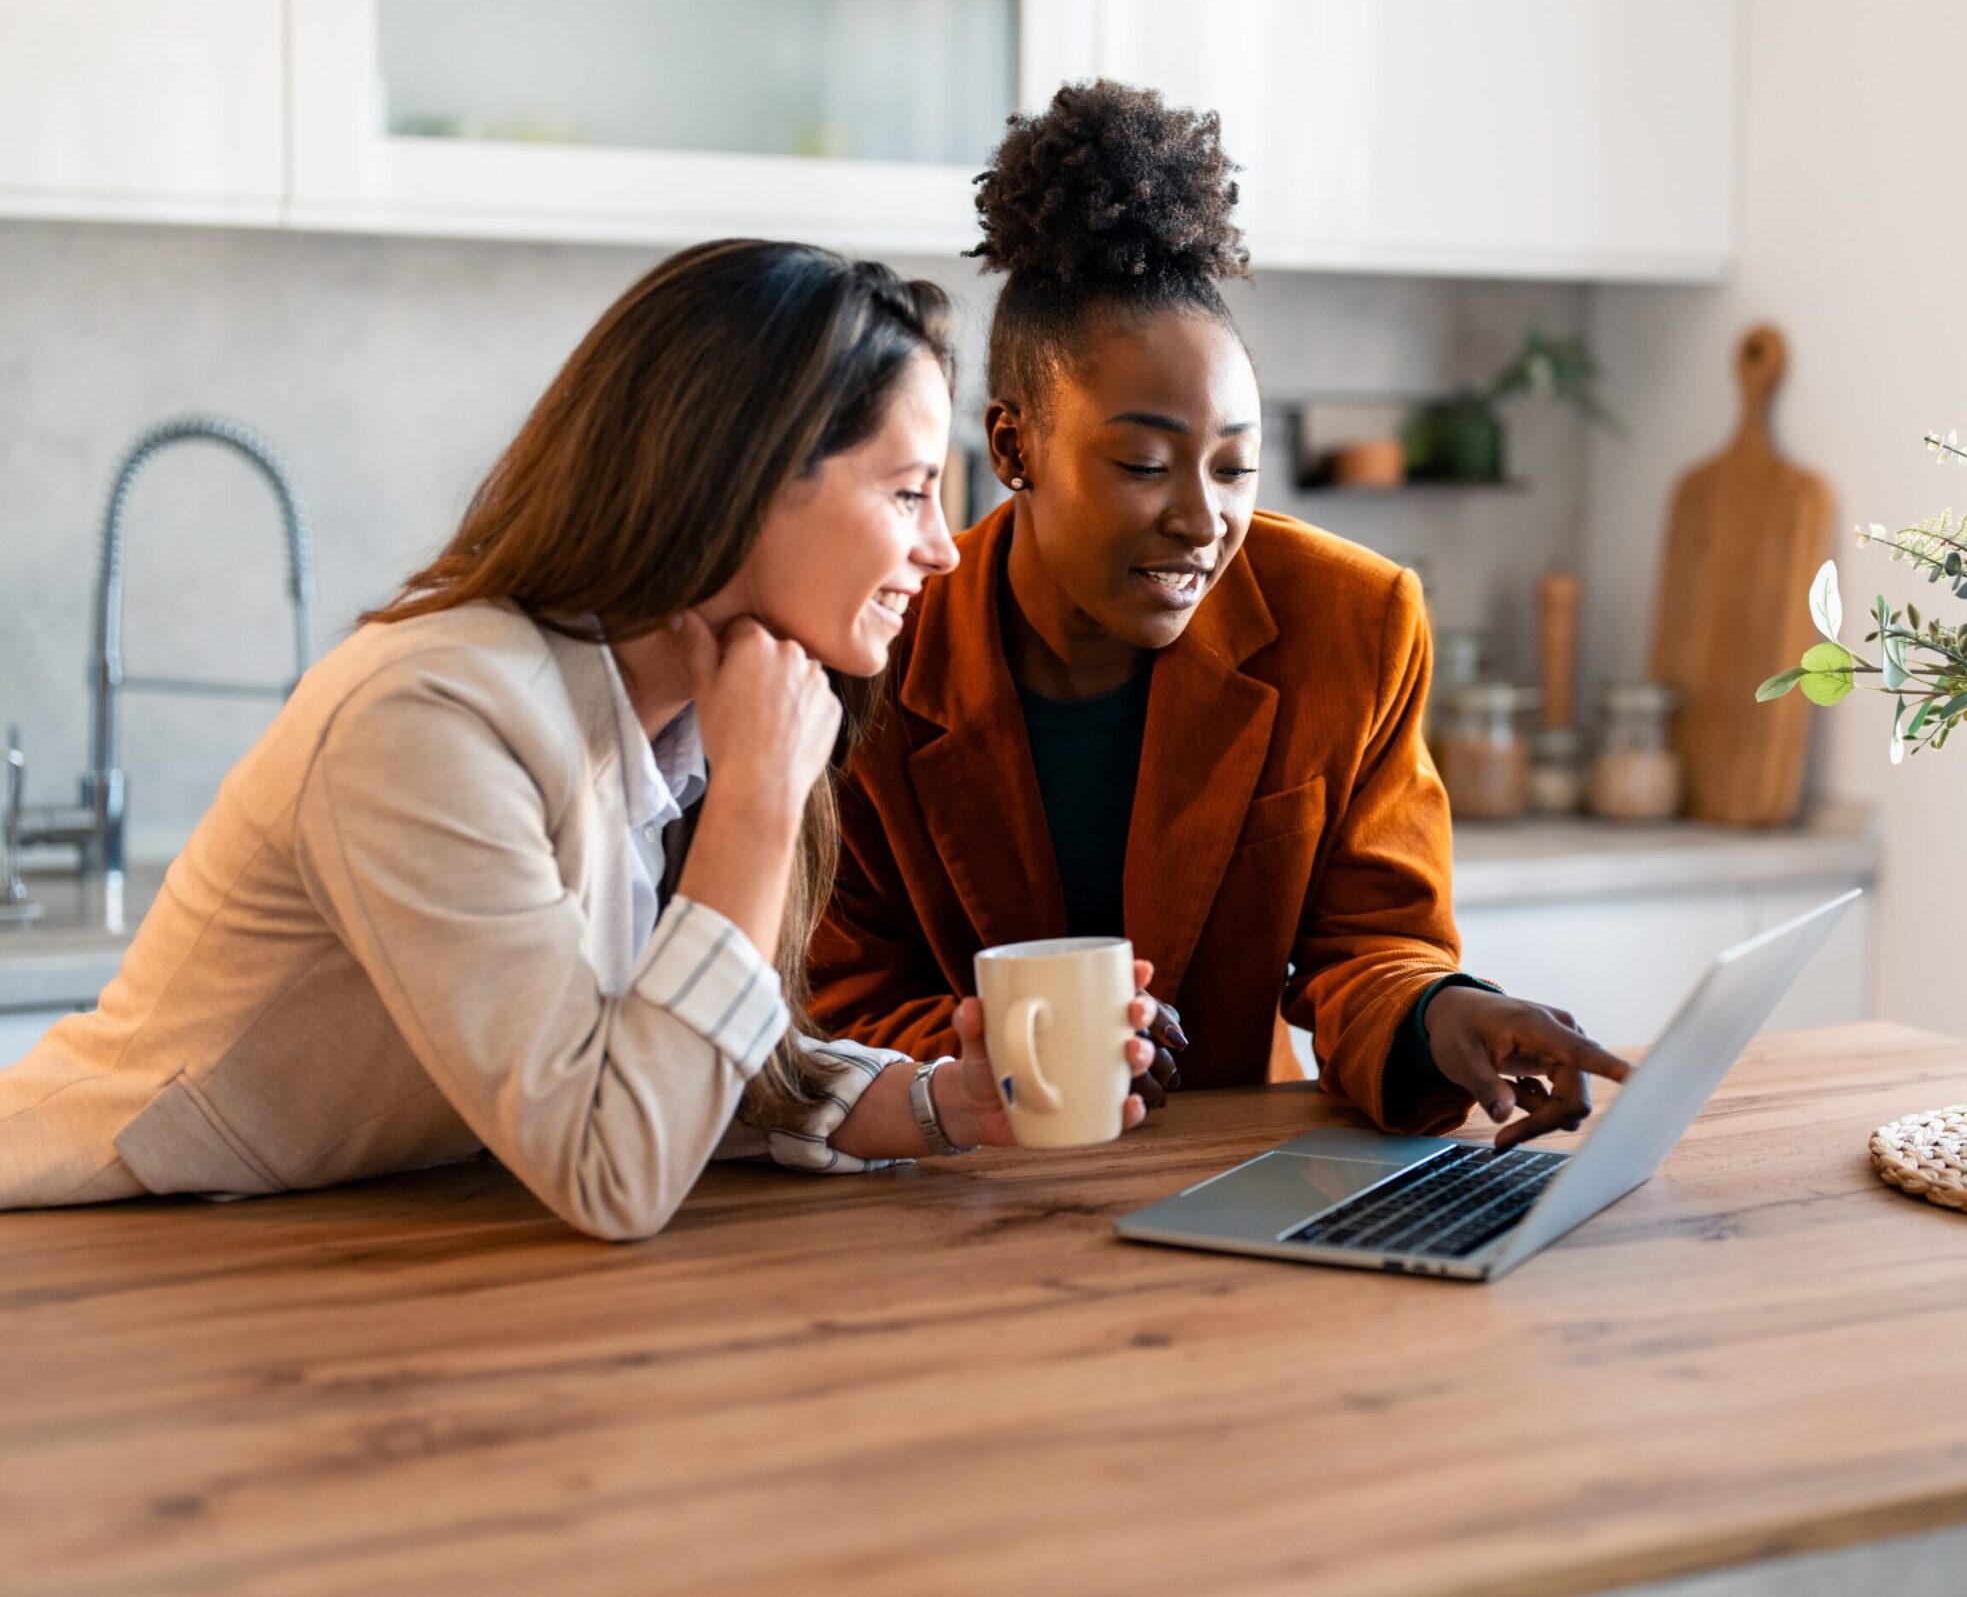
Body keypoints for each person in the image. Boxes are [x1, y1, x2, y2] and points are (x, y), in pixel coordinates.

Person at [0, 240, 1150, 1239]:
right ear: (743, 478)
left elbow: (663, 1062)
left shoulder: (673, 720)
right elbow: (618, 1168)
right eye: (907, 493)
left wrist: (944, 1103)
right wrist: (755, 802)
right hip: (92, 1245)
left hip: (318, 1243)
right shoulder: (429, 718)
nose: (944, 549)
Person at [809, 82, 1629, 1145]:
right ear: (1011, 448)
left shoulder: (1353, 621)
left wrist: (1442, 1014)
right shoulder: (877, 643)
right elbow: (835, 996)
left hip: (1231, 1177)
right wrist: (1015, 1060)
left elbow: (1372, 947)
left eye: (1236, 466)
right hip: (947, 1191)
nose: (1204, 519)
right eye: (1145, 464)